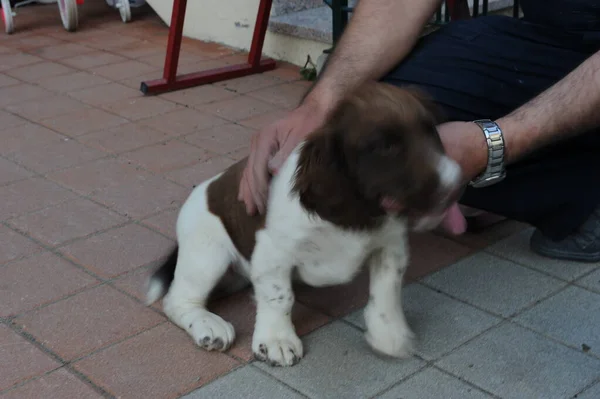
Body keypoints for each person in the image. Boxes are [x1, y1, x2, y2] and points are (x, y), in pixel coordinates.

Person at [238, 0, 600, 262]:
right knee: (386, 111)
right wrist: (321, 104)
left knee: (413, 139)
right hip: (559, 38)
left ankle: (575, 190)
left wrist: (492, 143)